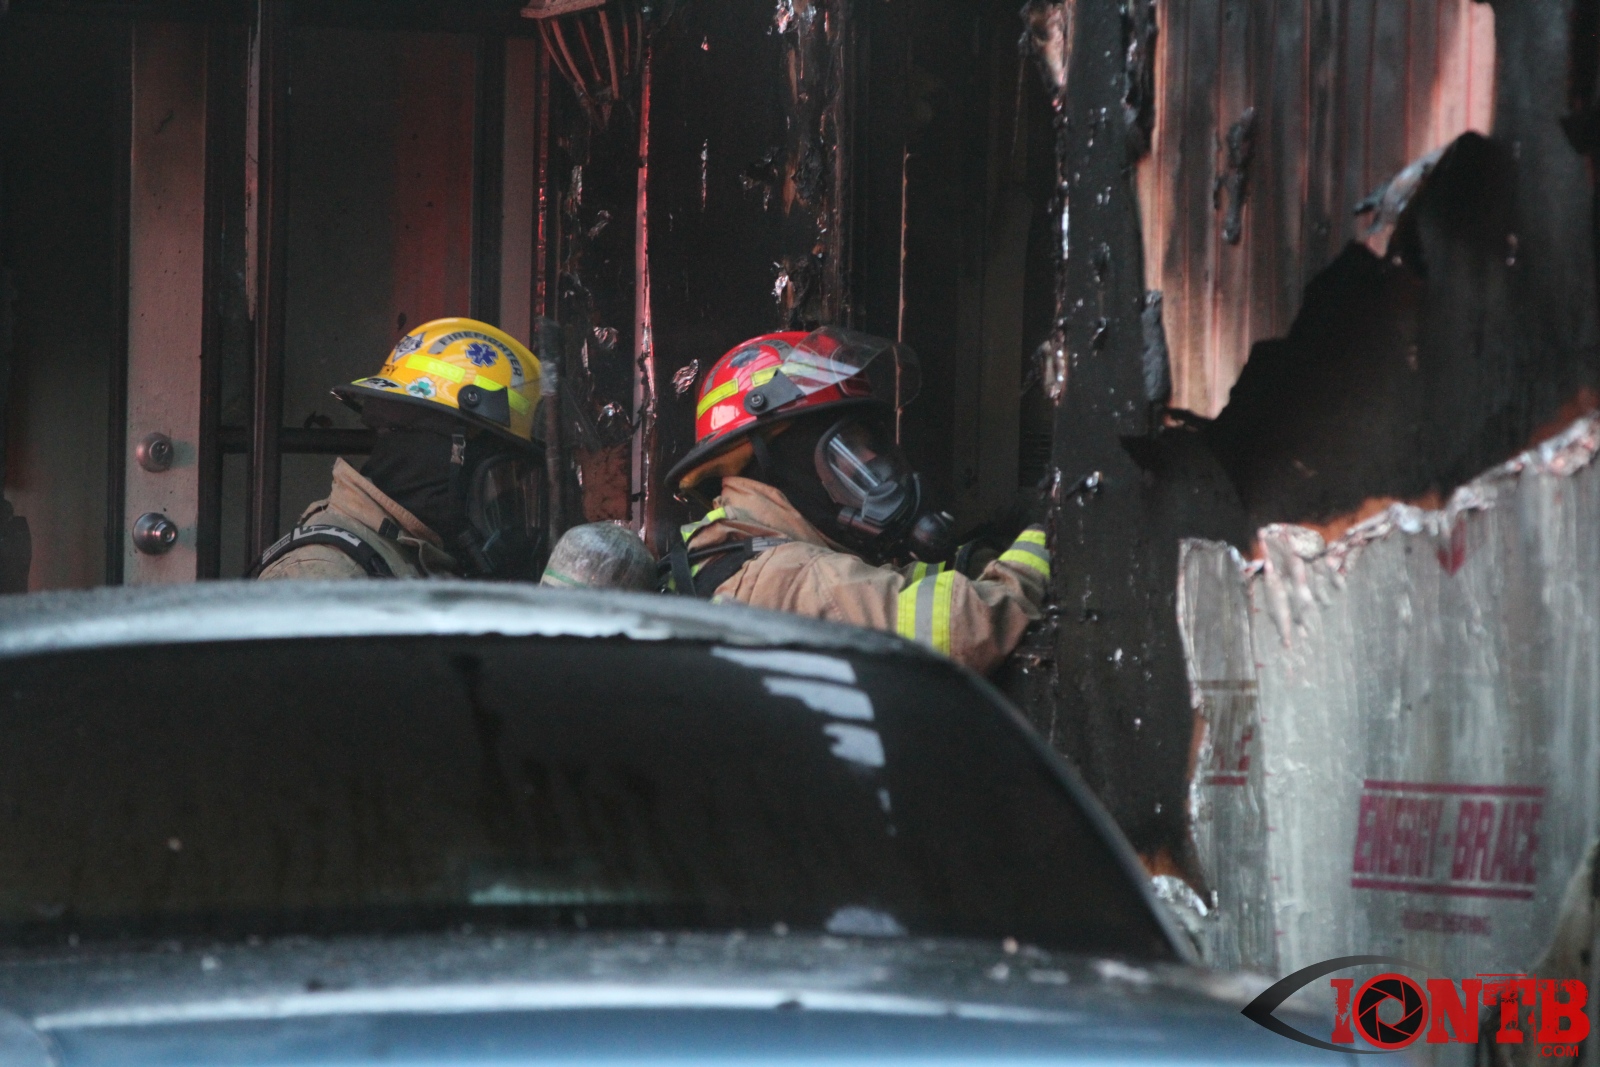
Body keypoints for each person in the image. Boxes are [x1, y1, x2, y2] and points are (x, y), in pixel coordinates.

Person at [663, 327, 1049, 675]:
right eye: (846, 447)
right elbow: (968, 628)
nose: (868, 461)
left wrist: (975, 557)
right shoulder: (788, 576)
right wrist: (1046, 538)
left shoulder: (729, 553)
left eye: (868, 445)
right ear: (775, 462)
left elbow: (878, 589)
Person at [253, 317, 547, 581]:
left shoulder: (425, 559)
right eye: (500, 477)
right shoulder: (323, 574)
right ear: (447, 451)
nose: (504, 499)